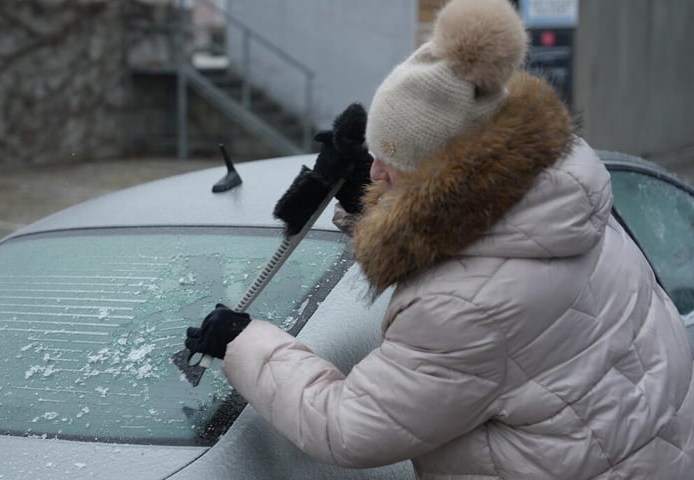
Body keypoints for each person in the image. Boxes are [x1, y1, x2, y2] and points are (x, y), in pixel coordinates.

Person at [183, 0, 694, 477]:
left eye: (391, 159)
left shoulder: (462, 309)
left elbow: (350, 428)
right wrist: (374, 196)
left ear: (440, 175)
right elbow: (472, 238)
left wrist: (244, 343)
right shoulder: (556, 187)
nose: (376, 169)